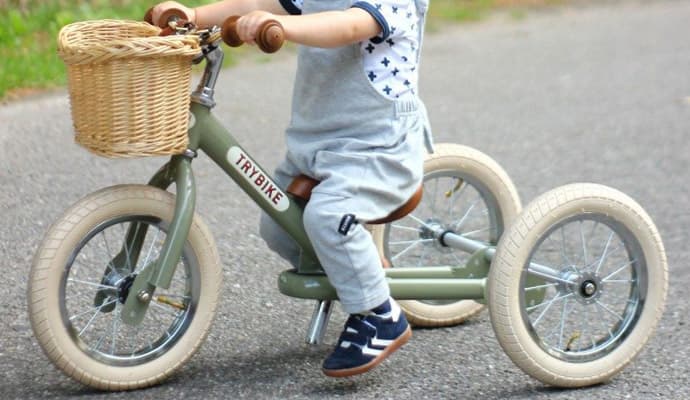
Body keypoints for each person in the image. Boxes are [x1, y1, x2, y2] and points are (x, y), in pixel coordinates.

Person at [151, 0, 433, 377]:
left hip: (376, 147)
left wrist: (280, 25)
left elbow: (348, 26)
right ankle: (358, 266)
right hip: (317, 143)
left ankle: (379, 315)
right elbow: (256, 2)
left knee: (327, 218)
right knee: (279, 225)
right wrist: (196, 16)